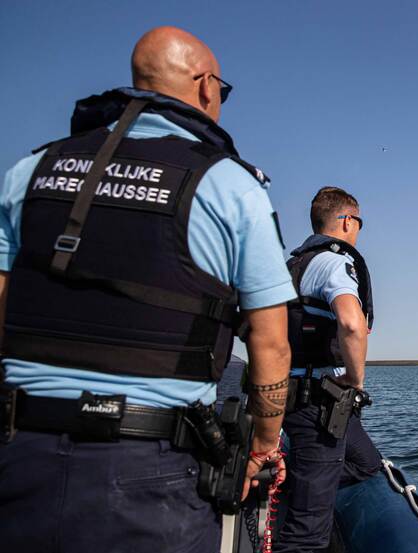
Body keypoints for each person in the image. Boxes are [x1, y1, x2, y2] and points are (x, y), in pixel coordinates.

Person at [0, 27, 295, 552]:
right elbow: (270, 342)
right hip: (152, 472)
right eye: (222, 92)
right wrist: (263, 447)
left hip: (20, 452)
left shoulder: (29, 171)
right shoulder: (230, 186)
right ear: (206, 86)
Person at [278, 186, 382, 552]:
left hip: (289, 391)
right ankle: (305, 486)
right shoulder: (335, 262)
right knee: (307, 535)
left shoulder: (293, 264)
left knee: (366, 463)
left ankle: (297, 480)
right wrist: (355, 380)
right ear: (347, 220)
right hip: (316, 401)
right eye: (359, 222)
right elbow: (351, 323)